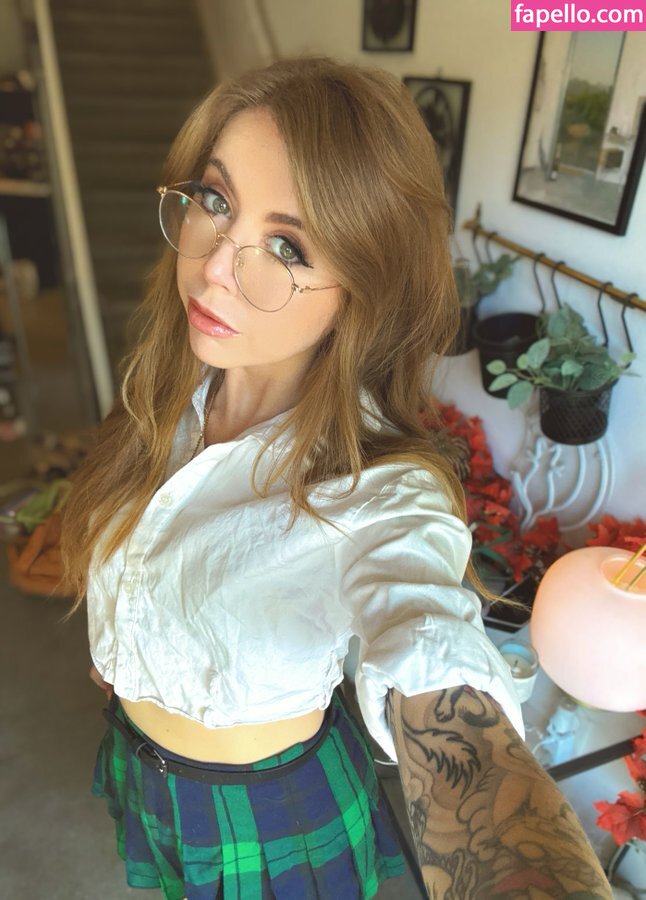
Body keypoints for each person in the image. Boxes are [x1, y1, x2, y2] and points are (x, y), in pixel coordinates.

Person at [60, 56, 612, 900]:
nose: (216, 266)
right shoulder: (167, 389)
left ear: (363, 286)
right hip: (143, 766)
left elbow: (431, 649)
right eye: (217, 200)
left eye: (287, 246)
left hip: (268, 815)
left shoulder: (377, 490)